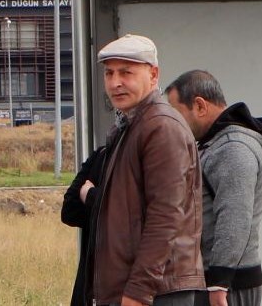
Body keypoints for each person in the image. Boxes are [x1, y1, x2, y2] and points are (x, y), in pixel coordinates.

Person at [60, 34, 205, 306]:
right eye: (109, 73)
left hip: (157, 292)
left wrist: (139, 289)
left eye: (126, 72)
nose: (115, 83)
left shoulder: (161, 127)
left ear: (153, 74)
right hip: (138, 288)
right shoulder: (132, 126)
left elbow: (166, 216)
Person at [165, 71, 262, 306]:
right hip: (217, 281)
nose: (174, 124)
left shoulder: (232, 148)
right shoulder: (213, 144)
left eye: (176, 114)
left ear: (199, 106)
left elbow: (234, 216)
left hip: (228, 285)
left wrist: (219, 283)